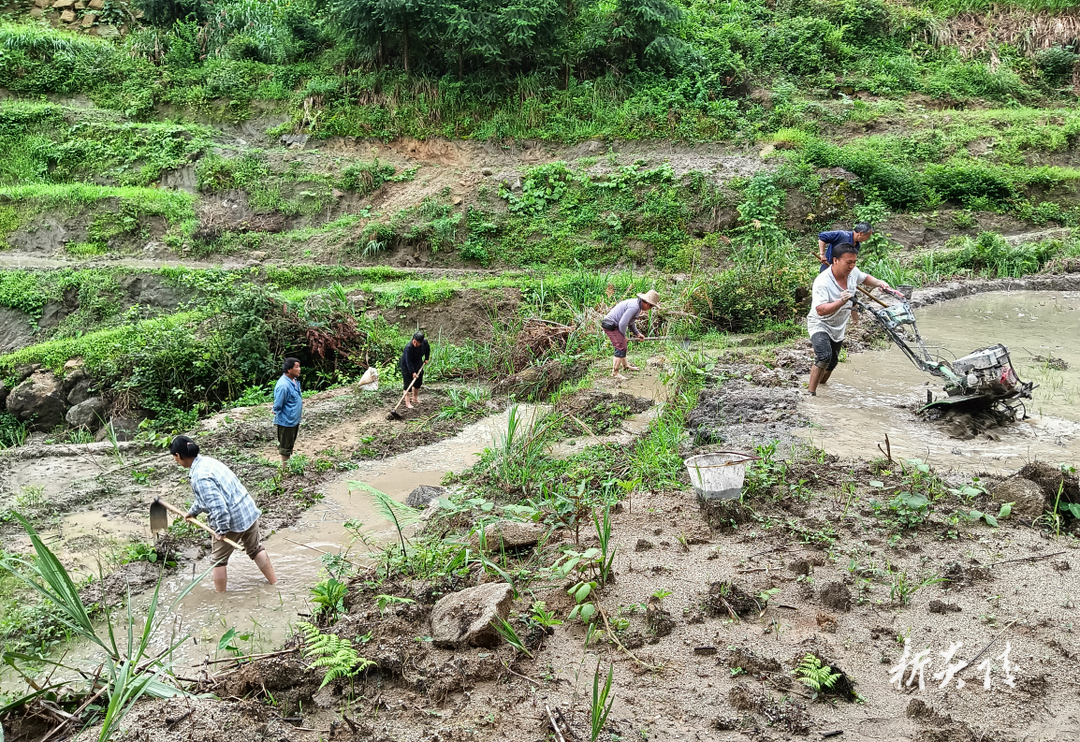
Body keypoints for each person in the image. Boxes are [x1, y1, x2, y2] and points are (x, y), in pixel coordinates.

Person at [169, 435, 277, 593]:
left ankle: (221, 601)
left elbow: (219, 508)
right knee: (255, 549)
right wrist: (192, 512)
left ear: (178, 456)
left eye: (174, 458)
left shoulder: (199, 477)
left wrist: (221, 530)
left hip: (232, 519)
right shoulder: (207, 462)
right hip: (247, 509)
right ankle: (275, 583)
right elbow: (205, 499)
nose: (175, 461)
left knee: (217, 562)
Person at [807, 244, 893, 396]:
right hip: (820, 323)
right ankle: (810, 393)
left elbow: (865, 278)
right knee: (824, 356)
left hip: (838, 325)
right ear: (835, 260)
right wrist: (841, 301)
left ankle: (822, 386)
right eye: (849, 262)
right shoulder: (822, 281)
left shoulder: (853, 272)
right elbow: (820, 310)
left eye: (854, 262)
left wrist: (879, 283)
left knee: (833, 362)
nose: (852, 265)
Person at [601, 289, 660, 379]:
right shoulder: (635, 307)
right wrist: (623, 336)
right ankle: (615, 372)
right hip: (610, 324)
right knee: (620, 345)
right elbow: (623, 323)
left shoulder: (637, 306)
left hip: (615, 324)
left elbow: (630, 322)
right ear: (648, 304)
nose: (649, 309)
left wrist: (637, 333)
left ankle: (625, 366)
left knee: (623, 344)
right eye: (651, 307)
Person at [273, 357, 302, 466]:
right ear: (289, 370)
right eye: (297, 367)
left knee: (289, 444)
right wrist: (275, 410)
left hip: (293, 419)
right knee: (285, 447)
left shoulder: (293, 380)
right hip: (287, 421)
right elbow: (279, 403)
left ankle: (288, 466)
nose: (299, 369)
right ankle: (285, 469)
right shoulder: (283, 386)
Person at [400, 332, 431, 409]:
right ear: (413, 339)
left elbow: (427, 349)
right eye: (414, 341)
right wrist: (412, 372)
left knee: (418, 381)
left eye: (417, 343)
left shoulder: (425, 342)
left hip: (418, 363)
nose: (415, 343)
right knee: (408, 384)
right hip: (407, 366)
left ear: (421, 342)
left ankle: (414, 398)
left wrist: (426, 358)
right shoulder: (408, 348)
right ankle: (407, 403)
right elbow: (408, 362)